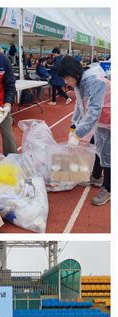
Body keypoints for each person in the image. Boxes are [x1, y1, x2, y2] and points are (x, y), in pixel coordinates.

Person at [57, 56, 111, 206]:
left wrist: (78, 135)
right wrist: (73, 127)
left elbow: (93, 112)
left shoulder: (94, 81)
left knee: (107, 152)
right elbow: (80, 107)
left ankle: (108, 188)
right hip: (103, 117)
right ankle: (95, 176)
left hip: (111, 117)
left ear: (74, 73)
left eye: (66, 78)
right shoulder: (79, 82)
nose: (65, 82)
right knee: (97, 145)